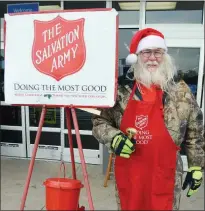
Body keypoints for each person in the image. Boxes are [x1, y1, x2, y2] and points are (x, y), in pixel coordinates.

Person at [92, 28, 204, 210]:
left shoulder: (181, 90)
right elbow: (99, 123)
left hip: (166, 172)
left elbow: (195, 131)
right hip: (130, 171)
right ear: (137, 56)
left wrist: (196, 166)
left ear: (164, 55)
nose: (153, 58)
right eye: (146, 52)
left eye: (158, 52)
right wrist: (113, 137)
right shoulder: (120, 90)